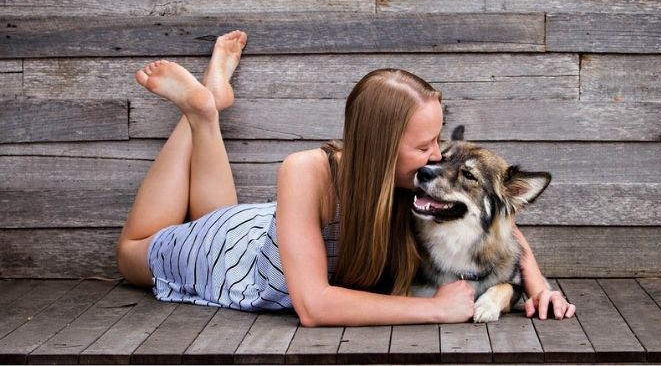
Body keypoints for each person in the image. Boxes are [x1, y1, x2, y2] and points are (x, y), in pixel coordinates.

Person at [116, 30, 576, 327]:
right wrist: (432, 309)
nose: (436, 158)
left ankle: (209, 111)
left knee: (216, 213)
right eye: (423, 147)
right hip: (228, 257)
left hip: (266, 230)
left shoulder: (414, 187)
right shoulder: (307, 169)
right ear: (380, 149)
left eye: (438, 141)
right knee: (132, 251)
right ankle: (199, 109)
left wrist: (536, 286)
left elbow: (498, 223)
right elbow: (314, 307)